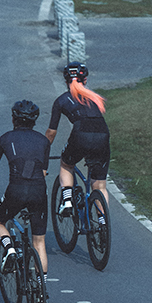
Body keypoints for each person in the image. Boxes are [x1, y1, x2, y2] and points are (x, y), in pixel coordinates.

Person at [0, 100, 50, 276]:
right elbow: (43, 172)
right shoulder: (44, 141)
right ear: (34, 121)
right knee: (39, 242)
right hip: (39, 190)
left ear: (13, 119)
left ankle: (9, 248)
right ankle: (42, 286)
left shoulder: (4, 139)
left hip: (16, 190)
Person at [45, 62, 110, 215]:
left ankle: (67, 201)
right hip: (103, 134)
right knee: (100, 186)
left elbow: (51, 132)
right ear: (85, 80)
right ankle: (103, 222)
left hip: (81, 134)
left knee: (66, 164)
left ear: (65, 81)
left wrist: (43, 150)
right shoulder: (95, 98)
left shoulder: (61, 100)